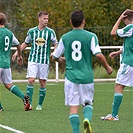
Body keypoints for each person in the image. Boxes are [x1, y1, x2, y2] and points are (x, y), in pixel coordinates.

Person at [52, 10, 113, 133]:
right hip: (86, 76)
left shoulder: (65, 37)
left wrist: (63, 60)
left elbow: (54, 56)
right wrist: (107, 67)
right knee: (87, 104)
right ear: (83, 21)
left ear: (71, 22)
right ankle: (86, 119)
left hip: (70, 77)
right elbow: (99, 55)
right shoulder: (91, 36)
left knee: (73, 108)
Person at [12, 11, 58, 110]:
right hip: (33, 59)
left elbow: (56, 44)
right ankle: (29, 104)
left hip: (44, 60)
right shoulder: (32, 31)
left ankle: (40, 105)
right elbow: (25, 43)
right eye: (44, 18)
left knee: (42, 83)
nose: (46, 20)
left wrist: (55, 52)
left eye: (47, 19)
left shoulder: (50, 32)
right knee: (31, 80)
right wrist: (17, 52)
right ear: (39, 19)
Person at [101, 9, 133, 121]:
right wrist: (118, 52)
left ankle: (114, 115)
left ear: (126, 18)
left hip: (128, 63)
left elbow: (113, 32)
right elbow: (129, 45)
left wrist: (119, 18)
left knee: (118, 86)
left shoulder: (130, 28)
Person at [0, 13, 30, 111]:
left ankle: (0, 107)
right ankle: (23, 96)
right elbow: (18, 44)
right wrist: (20, 56)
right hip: (6, 64)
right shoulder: (9, 33)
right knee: (8, 85)